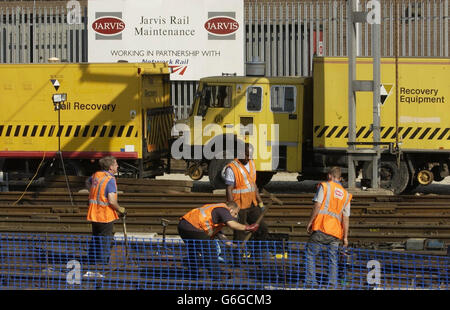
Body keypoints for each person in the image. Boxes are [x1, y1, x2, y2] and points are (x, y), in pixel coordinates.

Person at [177, 201, 259, 281]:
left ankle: (194, 274)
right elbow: (232, 224)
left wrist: (234, 246)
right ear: (230, 210)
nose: (236, 216)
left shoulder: (216, 217)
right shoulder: (223, 209)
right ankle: (216, 277)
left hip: (183, 225)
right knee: (211, 250)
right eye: (235, 213)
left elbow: (222, 237)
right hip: (193, 226)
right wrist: (248, 227)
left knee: (194, 250)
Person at [305, 166, 352, 288]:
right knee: (333, 258)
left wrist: (310, 221)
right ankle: (332, 285)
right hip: (336, 232)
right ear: (340, 178)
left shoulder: (325, 186)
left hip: (322, 227)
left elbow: (317, 206)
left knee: (310, 254)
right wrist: (345, 237)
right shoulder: (346, 195)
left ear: (330, 176)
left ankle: (311, 283)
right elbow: (346, 218)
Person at [84, 156, 126, 278]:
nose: (117, 166)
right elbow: (112, 201)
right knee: (105, 242)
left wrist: (92, 192)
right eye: (116, 164)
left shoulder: (97, 175)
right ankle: (101, 269)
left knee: (95, 240)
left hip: (94, 213)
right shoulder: (110, 179)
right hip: (105, 215)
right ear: (111, 167)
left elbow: (88, 182)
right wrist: (120, 209)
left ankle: (91, 267)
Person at [224, 143, 268, 243]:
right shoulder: (232, 168)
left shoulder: (252, 163)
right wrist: (232, 208)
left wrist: (260, 202)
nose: (248, 158)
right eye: (247, 155)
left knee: (262, 229)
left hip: (252, 204)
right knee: (239, 235)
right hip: (239, 207)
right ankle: (237, 258)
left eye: (250, 155)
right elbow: (229, 189)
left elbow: (253, 185)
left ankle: (256, 256)